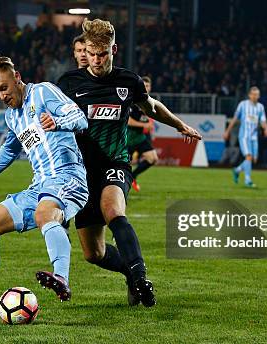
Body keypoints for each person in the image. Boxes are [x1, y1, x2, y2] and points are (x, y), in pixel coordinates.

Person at [57, 18, 202, 307]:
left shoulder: (128, 81)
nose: (97, 61)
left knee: (114, 211)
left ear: (114, 49)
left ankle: (140, 278)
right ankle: (127, 270)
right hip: (80, 172)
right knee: (93, 254)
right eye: (92, 53)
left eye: (103, 54)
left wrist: (179, 125)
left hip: (115, 162)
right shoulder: (69, 83)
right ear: (84, 49)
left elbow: (152, 108)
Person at [0, 55, 89, 317]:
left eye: (4, 88)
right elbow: (9, 149)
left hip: (68, 176)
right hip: (39, 185)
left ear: (17, 78)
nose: (1, 96)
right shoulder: (11, 116)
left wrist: (59, 121)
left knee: (44, 214)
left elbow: (79, 117)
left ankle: (61, 278)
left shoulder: (43, 92)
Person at [223, 86, 267, 187]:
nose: (255, 96)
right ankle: (247, 180)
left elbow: (262, 120)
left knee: (253, 159)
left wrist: (266, 128)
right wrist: (227, 131)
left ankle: (237, 170)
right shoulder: (243, 105)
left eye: (257, 95)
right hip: (244, 136)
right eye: (253, 94)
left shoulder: (260, 107)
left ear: (259, 96)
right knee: (248, 157)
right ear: (249, 95)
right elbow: (235, 118)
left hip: (254, 137)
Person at [126, 76, 158, 192]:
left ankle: (133, 176)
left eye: (148, 86)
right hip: (128, 138)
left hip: (139, 137)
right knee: (122, 166)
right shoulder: (134, 101)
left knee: (153, 158)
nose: (146, 87)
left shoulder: (149, 102)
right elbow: (128, 120)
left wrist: (149, 123)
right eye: (144, 85)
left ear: (150, 87)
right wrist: (144, 125)